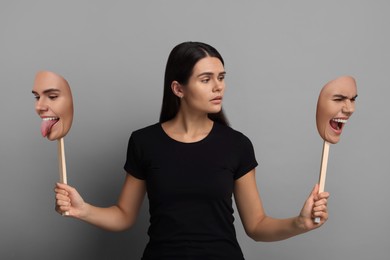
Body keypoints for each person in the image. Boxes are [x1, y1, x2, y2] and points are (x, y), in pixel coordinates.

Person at [55, 41, 329, 260]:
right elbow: (124, 216)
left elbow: (256, 226)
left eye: (221, 77)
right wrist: (83, 210)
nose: (218, 86)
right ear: (178, 88)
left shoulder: (237, 145)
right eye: (206, 79)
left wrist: (299, 223)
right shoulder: (144, 142)